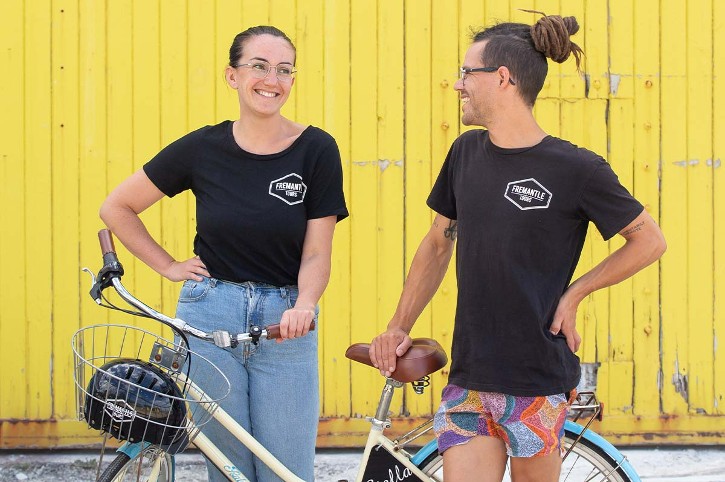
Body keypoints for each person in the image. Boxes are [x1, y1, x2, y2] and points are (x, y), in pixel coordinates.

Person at [369, 12, 666, 482]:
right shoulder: (464, 154)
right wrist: (398, 325)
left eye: (467, 72)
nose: (458, 84)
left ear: (502, 78)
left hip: (536, 380)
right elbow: (437, 244)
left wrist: (576, 293)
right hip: (469, 377)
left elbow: (649, 240)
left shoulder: (576, 168)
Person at [100, 25, 348, 482]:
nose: (271, 79)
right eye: (258, 66)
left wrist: (305, 305)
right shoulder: (203, 148)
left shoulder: (317, 149)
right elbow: (117, 207)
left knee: (286, 471)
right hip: (210, 316)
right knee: (228, 471)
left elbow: (317, 252)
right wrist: (168, 266)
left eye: (284, 69)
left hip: (285, 324)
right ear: (233, 76)